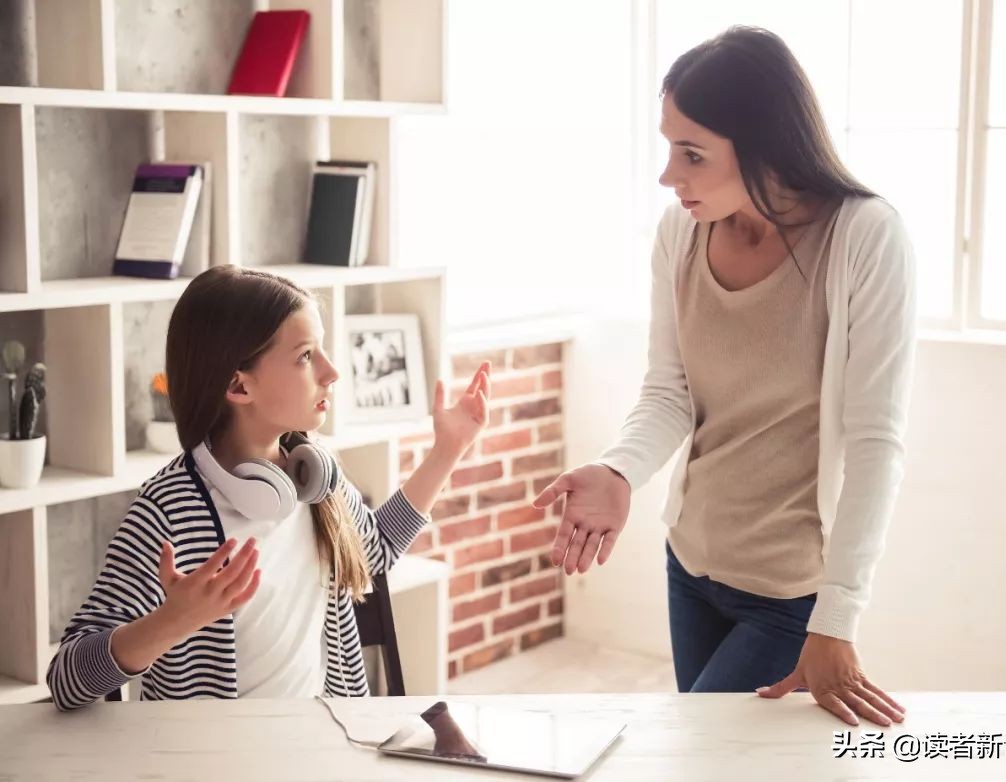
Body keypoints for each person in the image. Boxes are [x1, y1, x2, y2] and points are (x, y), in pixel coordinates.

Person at [534, 26, 916, 728]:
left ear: (764, 142)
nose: (668, 175)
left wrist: (837, 617)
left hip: (789, 594)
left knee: (697, 759)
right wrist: (619, 471)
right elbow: (670, 392)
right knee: (715, 757)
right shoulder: (680, 234)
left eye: (692, 153)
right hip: (692, 566)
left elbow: (875, 441)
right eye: (668, 146)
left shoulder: (863, 237)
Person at [47, 265, 491, 710]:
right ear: (239, 385)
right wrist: (170, 622)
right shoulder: (167, 511)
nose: (332, 371)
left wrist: (447, 451)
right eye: (305, 356)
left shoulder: (314, 475)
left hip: (325, 744)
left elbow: (373, 551)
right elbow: (66, 680)